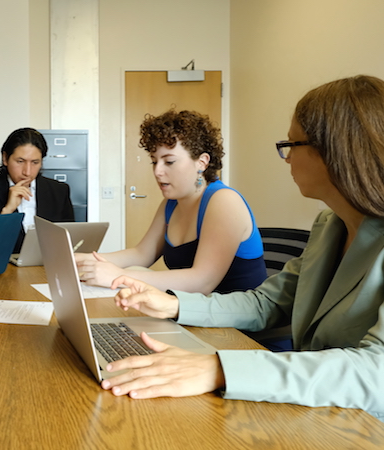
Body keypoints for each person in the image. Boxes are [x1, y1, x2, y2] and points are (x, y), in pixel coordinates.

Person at [102, 75, 384, 421]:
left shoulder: (222, 200)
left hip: (365, 424)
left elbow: (376, 371)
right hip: (322, 407)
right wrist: (175, 305)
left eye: (292, 144)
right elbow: (266, 302)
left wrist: (220, 369)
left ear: (336, 151)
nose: (286, 158)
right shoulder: (331, 225)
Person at [75, 110, 267, 294]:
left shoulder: (224, 201)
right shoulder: (171, 204)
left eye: (169, 162)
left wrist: (121, 275)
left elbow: (202, 282)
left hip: (234, 325)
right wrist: (84, 260)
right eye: (154, 161)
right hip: (193, 315)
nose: (157, 171)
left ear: (202, 162)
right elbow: (142, 254)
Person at [0, 127, 75, 253]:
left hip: (47, 264)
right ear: (5, 158)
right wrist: (7, 210)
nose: (27, 172)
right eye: (20, 161)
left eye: (35, 162)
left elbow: (69, 238)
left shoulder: (59, 191)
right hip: (5, 266)